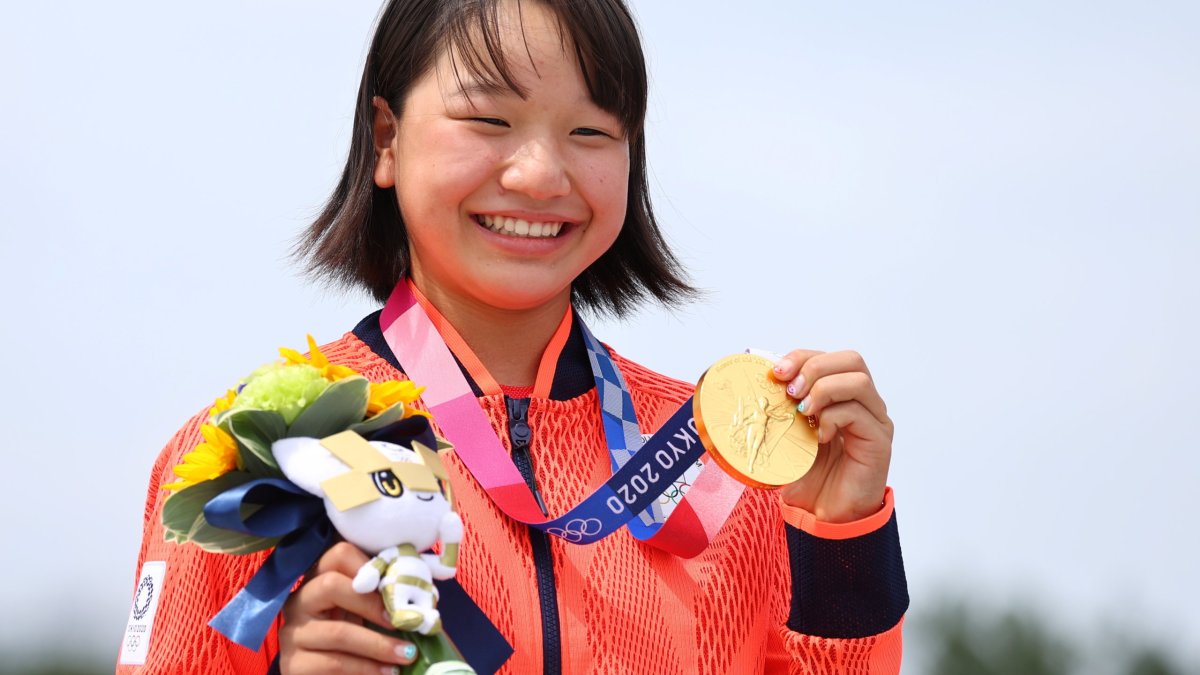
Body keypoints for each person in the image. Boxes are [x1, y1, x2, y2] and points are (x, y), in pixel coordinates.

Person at [117, 0, 908, 673]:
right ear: (386, 138)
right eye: (488, 120)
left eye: (591, 133)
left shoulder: (728, 454)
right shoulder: (250, 455)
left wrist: (842, 537)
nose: (539, 174)